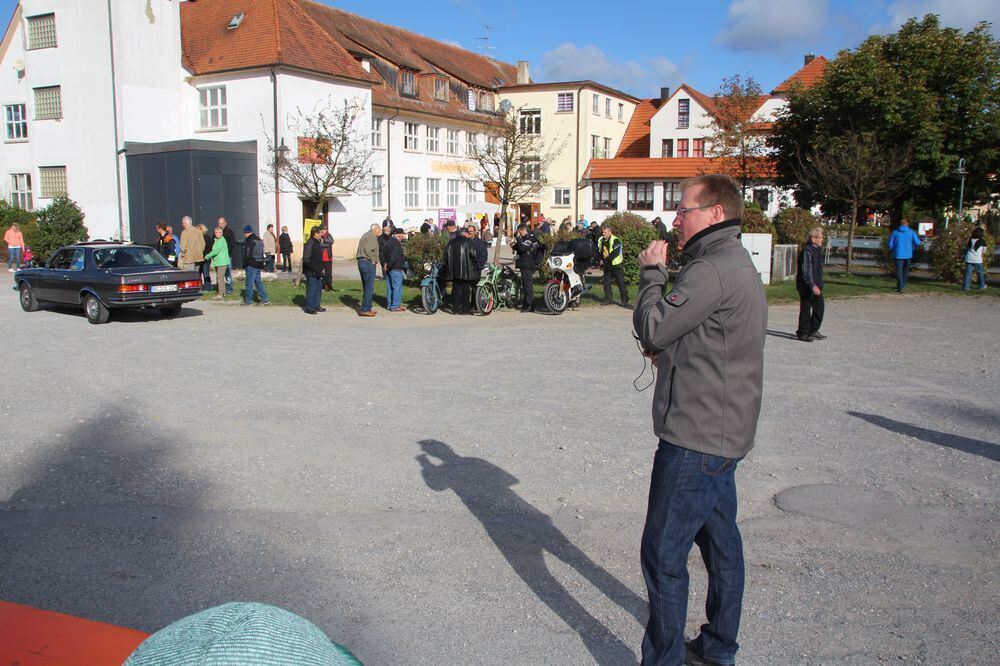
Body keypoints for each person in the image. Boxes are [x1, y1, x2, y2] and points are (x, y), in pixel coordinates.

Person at [632, 174, 767, 666]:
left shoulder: (709, 269)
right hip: (723, 432)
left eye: (683, 208)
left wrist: (652, 274)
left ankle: (664, 660)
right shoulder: (734, 262)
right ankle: (717, 647)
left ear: (713, 213)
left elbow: (654, 323)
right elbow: (711, 342)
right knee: (721, 544)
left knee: (664, 555)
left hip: (696, 438)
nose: (675, 217)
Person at [796, 227, 826, 342]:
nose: (822, 239)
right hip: (807, 287)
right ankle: (802, 333)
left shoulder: (817, 250)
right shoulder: (807, 251)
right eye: (821, 237)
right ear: (814, 238)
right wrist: (813, 286)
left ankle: (812, 330)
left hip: (817, 285)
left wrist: (819, 284)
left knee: (819, 308)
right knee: (805, 309)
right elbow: (806, 272)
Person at [443, 225, 478, 314]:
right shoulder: (469, 242)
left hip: (454, 271)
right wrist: (475, 264)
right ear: (465, 234)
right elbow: (474, 255)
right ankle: (465, 309)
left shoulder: (451, 242)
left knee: (455, 289)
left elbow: (445, 256)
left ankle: (455, 309)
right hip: (466, 270)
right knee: (466, 290)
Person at [510, 223, 540, 313]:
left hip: (528, 264)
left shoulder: (530, 238)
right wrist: (514, 245)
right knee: (525, 285)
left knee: (528, 285)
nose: (519, 234)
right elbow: (520, 248)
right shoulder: (525, 238)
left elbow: (523, 248)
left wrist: (518, 239)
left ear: (523, 230)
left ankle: (529, 305)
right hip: (524, 264)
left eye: (520, 232)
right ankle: (527, 303)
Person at [887, 218, 922, 292]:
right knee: (905, 270)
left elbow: (890, 244)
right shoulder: (911, 232)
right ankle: (903, 284)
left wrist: (891, 249)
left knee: (899, 270)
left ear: (900, 224)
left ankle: (899, 285)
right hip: (908, 254)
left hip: (898, 254)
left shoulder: (895, 233)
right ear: (907, 224)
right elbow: (918, 242)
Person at [597, 224, 628, 307]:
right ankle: (608, 299)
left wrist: (605, 261)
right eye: (602, 232)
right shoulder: (601, 240)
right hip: (607, 265)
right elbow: (599, 251)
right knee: (606, 283)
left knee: (620, 283)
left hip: (616, 264)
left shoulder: (616, 240)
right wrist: (600, 259)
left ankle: (624, 300)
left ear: (610, 232)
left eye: (605, 232)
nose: (603, 234)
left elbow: (615, 253)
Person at [241, 225, 271, 306]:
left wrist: (245, 264)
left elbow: (247, 254)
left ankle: (248, 301)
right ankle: (265, 299)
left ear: (246, 232)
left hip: (251, 264)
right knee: (258, 282)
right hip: (259, 263)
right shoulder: (258, 239)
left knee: (249, 283)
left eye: (244, 233)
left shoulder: (249, 240)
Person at [356, 224, 380, 317]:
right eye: (379, 230)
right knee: (369, 287)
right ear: (376, 229)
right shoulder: (372, 236)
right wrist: (374, 259)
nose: (380, 232)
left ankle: (365, 307)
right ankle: (365, 309)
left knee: (366, 286)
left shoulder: (365, 235)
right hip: (367, 262)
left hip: (362, 262)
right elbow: (368, 250)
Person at [301, 226, 326, 314]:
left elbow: (319, 257)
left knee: (318, 289)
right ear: (315, 233)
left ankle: (316, 305)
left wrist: (321, 268)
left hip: (318, 271)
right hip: (311, 271)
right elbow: (306, 258)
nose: (321, 235)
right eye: (319, 233)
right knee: (311, 289)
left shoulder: (317, 242)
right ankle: (309, 307)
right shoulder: (310, 242)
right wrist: (314, 269)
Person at [383, 227, 407, 312]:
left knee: (390, 287)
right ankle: (395, 306)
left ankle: (390, 305)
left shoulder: (388, 242)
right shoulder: (396, 243)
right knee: (397, 288)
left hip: (389, 268)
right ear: (397, 234)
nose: (402, 236)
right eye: (401, 234)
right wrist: (389, 264)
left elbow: (383, 254)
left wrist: (386, 264)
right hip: (395, 268)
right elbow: (394, 256)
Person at [203, 227, 230, 299]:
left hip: (222, 262)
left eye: (219, 232)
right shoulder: (217, 240)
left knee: (220, 278)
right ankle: (223, 292)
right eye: (216, 232)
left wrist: (207, 256)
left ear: (222, 233)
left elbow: (215, 251)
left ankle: (220, 294)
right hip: (219, 262)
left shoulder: (221, 241)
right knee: (219, 277)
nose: (217, 234)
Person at [963, 227, 988, 291]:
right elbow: (984, 251)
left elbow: (967, 248)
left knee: (968, 273)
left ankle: (966, 287)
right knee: (980, 272)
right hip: (978, 259)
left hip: (969, 258)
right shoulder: (982, 241)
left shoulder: (970, 240)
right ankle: (982, 285)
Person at [217, 217, 236, 295]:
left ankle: (229, 288)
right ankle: (221, 289)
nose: (221, 225)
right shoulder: (216, 232)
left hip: (227, 256)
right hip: (219, 257)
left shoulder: (230, 232)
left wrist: (226, 252)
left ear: (225, 223)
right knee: (220, 273)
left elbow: (233, 243)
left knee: (228, 272)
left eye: (222, 223)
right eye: (219, 224)